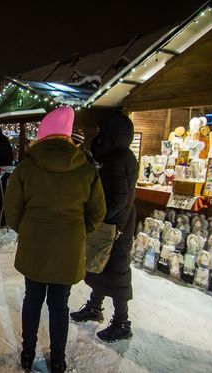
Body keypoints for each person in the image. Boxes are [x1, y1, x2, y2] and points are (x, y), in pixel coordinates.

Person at [4, 107, 106, 372]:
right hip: (68, 248)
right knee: (59, 304)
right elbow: (98, 212)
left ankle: (28, 353)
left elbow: (12, 210)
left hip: (34, 246)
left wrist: (27, 230)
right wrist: (78, 231)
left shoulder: (26, 166)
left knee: (32, 298)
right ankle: (58, 360)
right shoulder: (86, 168)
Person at [70, 113, 138, 343]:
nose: (98, 135)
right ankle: (95, 307)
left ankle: (122, 323)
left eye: (102, 130)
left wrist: (100, 216)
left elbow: (118, 198)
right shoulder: (115, 156)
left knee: (117, 274)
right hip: (112, 225)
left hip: (116, 229)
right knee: (99, 267)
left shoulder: (118, 159)